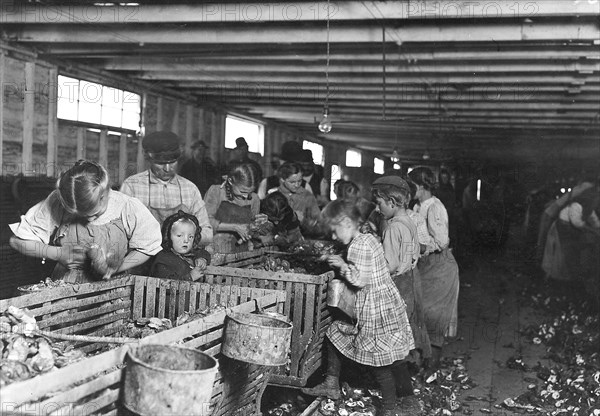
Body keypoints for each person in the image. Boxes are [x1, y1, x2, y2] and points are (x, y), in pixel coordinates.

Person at [301, 200, 420, 416]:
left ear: (346, 222)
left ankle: (390, 408)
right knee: (337, 333)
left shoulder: (358, 245)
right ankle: (332, 384)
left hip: (375, 309)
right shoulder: (368, 238)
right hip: (386, 304)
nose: (334, 237)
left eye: (335, 231)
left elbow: (359, 280)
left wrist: (342, 265)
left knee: (380, 364)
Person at [9, 160, 162, 283]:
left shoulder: (127, 206)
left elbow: (147, 248)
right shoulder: (56, 201)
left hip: (115, 288)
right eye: (79, 216)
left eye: (94, 214)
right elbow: (17, 242)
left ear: (105, 193)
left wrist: (117, 267)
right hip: (65, 288)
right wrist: (56, 253)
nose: (88, 220)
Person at [372, 176, 432, 366]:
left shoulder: (392, 227)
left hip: (396, 282)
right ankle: (408, 368)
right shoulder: (409, 222)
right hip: (409, 279)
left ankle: (396, 376)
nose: (377, 208)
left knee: (390, 331)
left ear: (391, 202)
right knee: (405, 327)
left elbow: (390, 265)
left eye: (379, 203)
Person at [408, 167, 460, 373]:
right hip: (425, 266)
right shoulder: (417, 205)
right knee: (420, 315)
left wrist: (416, 246)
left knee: (434, 319)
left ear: (420, 186)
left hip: (440, 268)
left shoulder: (435, 207)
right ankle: (420, 365)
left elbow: (441, 241)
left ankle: (431, 370)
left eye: (411, 185)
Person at [120, 131, 212, 244]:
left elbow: (207, 232)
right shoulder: (131, 186)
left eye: (173, 162)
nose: (168, 169)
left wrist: (188, 239)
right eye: (160, 163)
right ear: (147, 157)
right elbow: (120, 231)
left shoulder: (190, 189)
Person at [204, 163, 267, 253]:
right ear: (230, 181)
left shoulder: (254, 199)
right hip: (215, 248)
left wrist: (260, 225)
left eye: (250, 192)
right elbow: (205, 222)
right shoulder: (216, 192)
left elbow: (252, 229)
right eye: (242, 191)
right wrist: (235, 227)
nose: (246, 196)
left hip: (241, 250)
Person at [150, 210, 211, 281]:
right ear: (168, 236)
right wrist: (190, 277)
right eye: (179, 236)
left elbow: (202, 252)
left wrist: (202, 259)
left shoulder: (190, 253)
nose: (186, 240)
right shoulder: (162, 259)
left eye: (190, 237)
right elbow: (166, 285)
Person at [273, 162, 322, 236]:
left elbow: (320, 226)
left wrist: (304, 221)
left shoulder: (307, 196)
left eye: (299, 181)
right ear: (282, 179)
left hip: (302, 241)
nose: (296, 185)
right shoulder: (275, 197)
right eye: (292, 182)